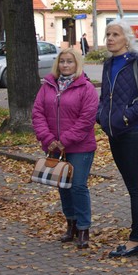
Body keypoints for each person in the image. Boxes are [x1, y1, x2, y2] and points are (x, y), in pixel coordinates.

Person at [97, 20, 138, 257]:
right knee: (132, 186)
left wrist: (126, 116)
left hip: (133, 131)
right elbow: (105, 96)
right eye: (108, 34)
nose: (110, 38)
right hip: (114, 131)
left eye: (115, 34)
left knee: (136, 187)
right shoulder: (108, 63)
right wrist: (101, 116)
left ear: (127, 38)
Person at [32, 48, 99, 249]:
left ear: (77, 64)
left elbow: (86, 119)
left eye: (70, 61)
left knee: (77, 186)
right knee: (63, 186)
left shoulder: (86, 88)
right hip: (53, 146)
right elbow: (38, 113)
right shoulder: (48, 86)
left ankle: (84, 227)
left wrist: (64, 141)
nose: (65, 65)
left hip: (80, 146)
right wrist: (48, 139)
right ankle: (71, 225)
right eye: (62, 61)